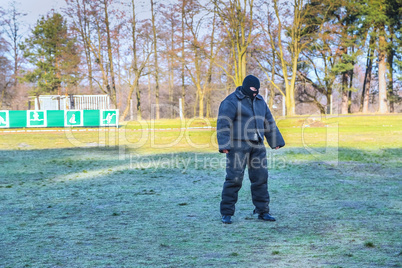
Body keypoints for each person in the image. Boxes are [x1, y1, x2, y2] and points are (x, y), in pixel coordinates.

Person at [217, 75, 285, 224]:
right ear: (246, 87)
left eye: (257, 90)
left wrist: (276, 141)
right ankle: (226, 213)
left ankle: (263, 211)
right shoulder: (231, 101)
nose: (256, 92)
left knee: (261, 178)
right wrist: (224, 145)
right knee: (234, 179)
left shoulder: (260, 101)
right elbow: (223, 123)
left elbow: (269, 122)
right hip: (237, 146)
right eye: (253, 89)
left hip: (258, 145)